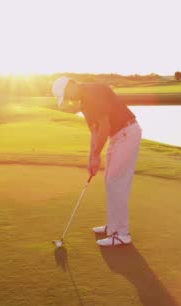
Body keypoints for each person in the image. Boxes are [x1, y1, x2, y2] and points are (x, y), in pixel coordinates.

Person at [52, 77, 142, 247]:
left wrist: (96, 155)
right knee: (110, 181)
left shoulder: (93, 92)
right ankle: (113, 226)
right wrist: (91, 157)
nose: (69, 99)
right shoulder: (84, 102)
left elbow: (104, 126)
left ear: (71, 84)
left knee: (116, 182)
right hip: (118, 137)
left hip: (127, 133)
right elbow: (95, 131)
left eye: (66, 95)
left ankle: (121, 233)